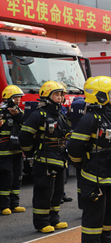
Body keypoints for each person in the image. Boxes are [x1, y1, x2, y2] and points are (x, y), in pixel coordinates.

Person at [67, 76, 111, 243]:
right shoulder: (89, 118)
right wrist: (82, 165)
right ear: (100, 96)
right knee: (94, 214)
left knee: (110, 213)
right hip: (95, 176)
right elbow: (74, 147)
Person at [20, 81, 70, 233]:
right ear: (47, 96)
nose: (60, 98)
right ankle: (42, 222)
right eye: (56, 94)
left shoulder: (60, 113)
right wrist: (30, 153)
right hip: (44, 161)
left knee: (57, 192)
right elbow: (24, 135)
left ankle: (54, 219)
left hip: (60, 159)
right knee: (44, 192)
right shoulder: (38, 114)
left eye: (61, 95)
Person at [0, 85, 24, 215]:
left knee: (17, 177)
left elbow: (26, 124)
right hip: (4, 152)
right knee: (6, 178)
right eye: (15, 98)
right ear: (8, 99)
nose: (18, 101)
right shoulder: (0, 112)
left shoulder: (19, 112)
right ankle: (4, 205)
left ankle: (14, 204)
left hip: (17, 151)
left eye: (19, 98)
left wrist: (18, 115)